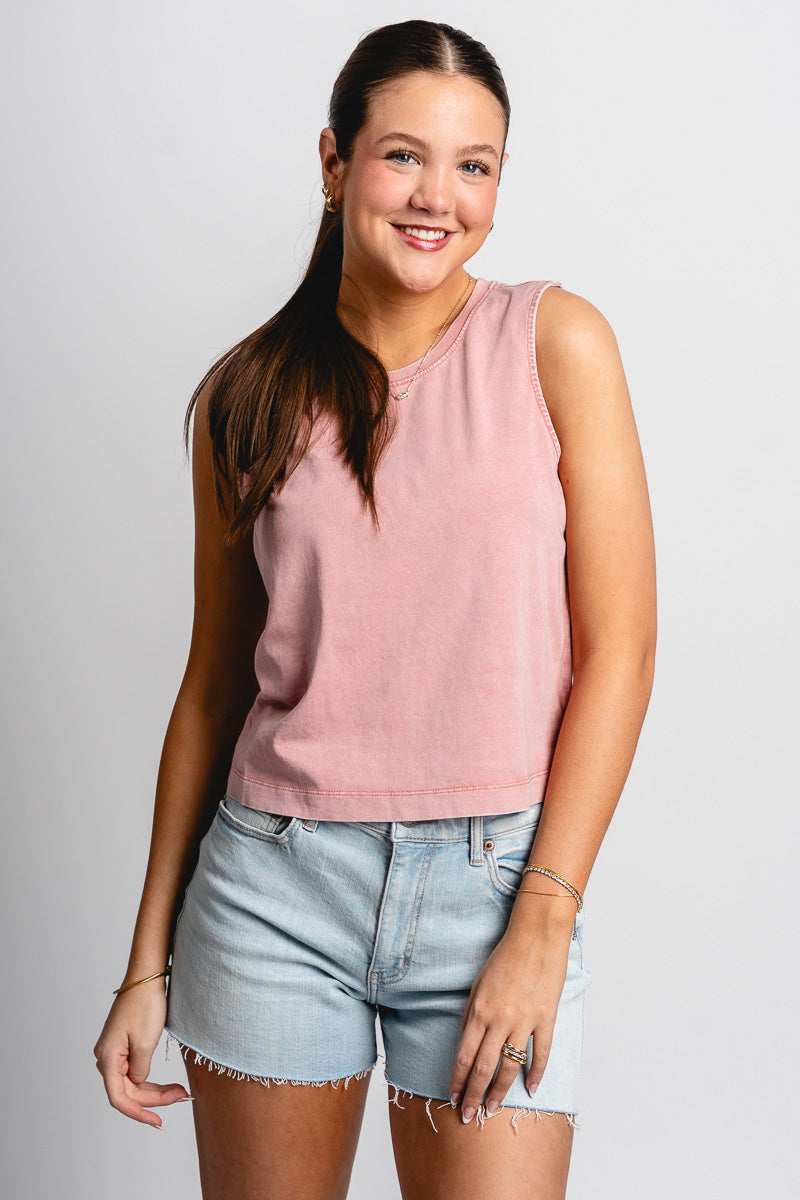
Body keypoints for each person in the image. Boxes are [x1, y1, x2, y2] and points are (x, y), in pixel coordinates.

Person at [94, 19, 656, 1200]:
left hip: (494, 889)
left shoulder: (553, 342)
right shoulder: (244, 396)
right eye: (403, 155)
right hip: (272, 892)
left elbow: (619, 652)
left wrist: (541, 921)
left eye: (473, 165)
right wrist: (145, 964)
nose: (437, 197)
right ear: (333, 160)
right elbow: (213, 685)